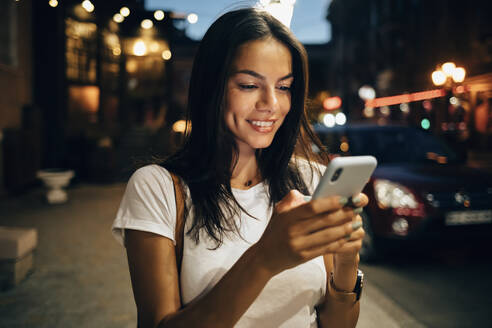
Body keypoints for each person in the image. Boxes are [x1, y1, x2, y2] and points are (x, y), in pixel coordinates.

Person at [112, 7, 367, 328]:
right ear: (211, 87)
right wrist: (265, 259)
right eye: (249, 85)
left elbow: (338, 325)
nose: (271, 103)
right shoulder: (158, 187)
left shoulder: (310, 177)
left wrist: (346, 261)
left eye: (284, 86)